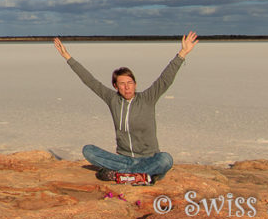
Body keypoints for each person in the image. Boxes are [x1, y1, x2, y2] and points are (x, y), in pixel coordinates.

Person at [53, 31, 199, 185]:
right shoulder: (112, 99)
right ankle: (141, 175)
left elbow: (165, 79)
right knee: (88, 150)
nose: (127, 87)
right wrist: (67, 57)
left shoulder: (147, 98)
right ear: (116, 86)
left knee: (165, 159)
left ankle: (126, 174)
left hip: (149, 158)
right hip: (123, 159)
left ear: (135, 84)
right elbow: (90, 81)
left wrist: (183, 53)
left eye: (130, 83)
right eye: (122, 84)